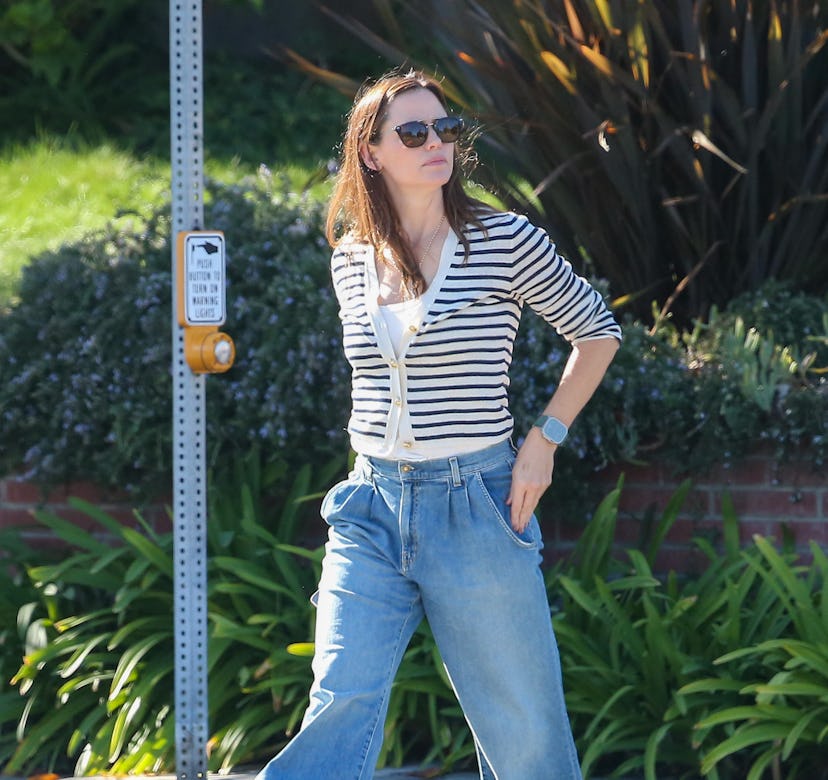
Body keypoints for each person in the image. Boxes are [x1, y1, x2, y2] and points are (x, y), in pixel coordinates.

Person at [256, 69, 621, 780]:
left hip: (476, 505)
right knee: (338, 700)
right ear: (371, 153)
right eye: (414, 133)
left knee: (523, 734)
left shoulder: (507, 241)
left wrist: (545, 440)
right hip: (370, 506)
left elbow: (597, 333)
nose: (437, 144)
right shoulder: (352, 259)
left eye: (446, 130)